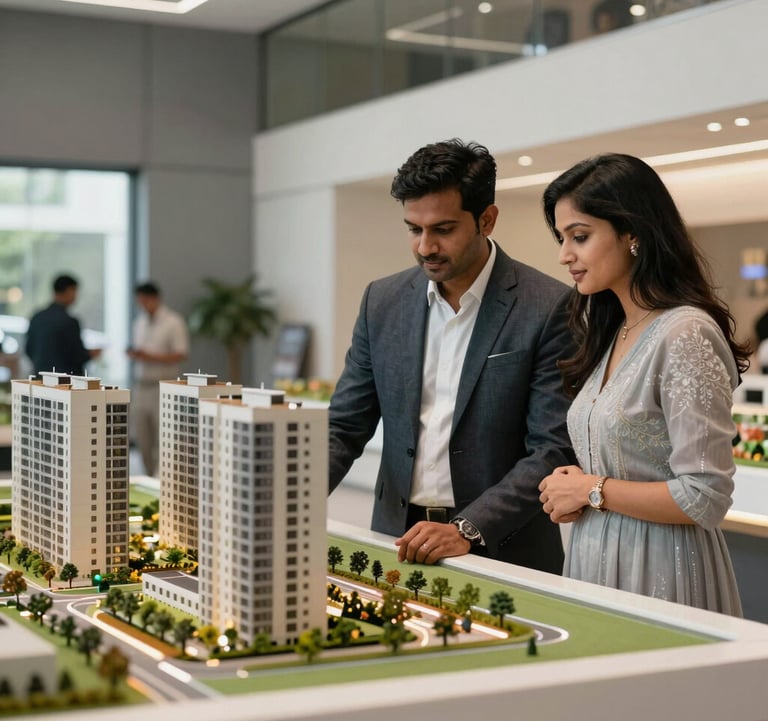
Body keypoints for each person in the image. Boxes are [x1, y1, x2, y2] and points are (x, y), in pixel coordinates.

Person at [328, 138, 574, 573]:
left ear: (487, 219)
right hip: (396, 538)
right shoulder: (381, 301)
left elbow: (552, 448)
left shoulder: (549, 306)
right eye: (413, 229)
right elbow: (345, 427)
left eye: (443, 230)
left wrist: (467, 528)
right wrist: (284, 504)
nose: (425, 247)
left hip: (504, 547)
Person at [537, 153, 749, 615]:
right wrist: (575, 485)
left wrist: (592, 490)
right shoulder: (614, 330)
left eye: (580, 236)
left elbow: (705, 495)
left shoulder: (684, 333)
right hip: (595, 558)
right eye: (561, 238)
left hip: (662, 570)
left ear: (632, 234)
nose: (564, 255)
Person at [127, 281, 189, 476]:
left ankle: (164, 480)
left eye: (145, 300)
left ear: (155, 298)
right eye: (139, 301)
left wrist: (151, 357)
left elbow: (181, 353)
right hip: (142, 386)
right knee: (142, 436)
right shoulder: (139, 323)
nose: (142, 305)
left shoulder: (173, 322)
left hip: (163, 385)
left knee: (164, 435)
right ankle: (147, 476)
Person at [25, 274, 102, 376]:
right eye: (75, 291)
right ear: (69, 291)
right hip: (66, 382)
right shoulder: (69, 321)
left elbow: (28, 349)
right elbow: (78, 356)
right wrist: (91, 354)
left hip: (41, 378)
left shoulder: (37, 317)